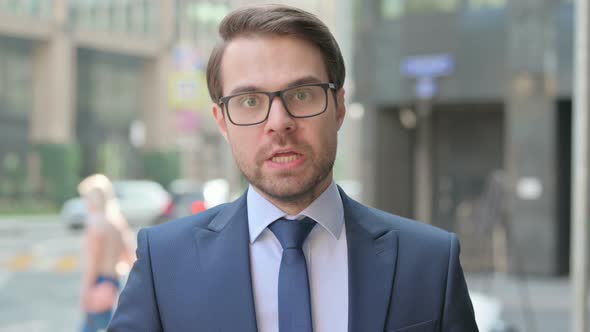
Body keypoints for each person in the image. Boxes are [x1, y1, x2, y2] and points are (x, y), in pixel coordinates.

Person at [108, 4, 479, 332]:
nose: (279, 122)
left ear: (338, 106)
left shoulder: (430, 263)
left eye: (301, 94)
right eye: (250, 100)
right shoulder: (164, 262)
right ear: (222, 122)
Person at [78, 174, 135, 332]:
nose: (85, 203)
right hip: (113, 283)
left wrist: (85, 290)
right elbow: (130, 259)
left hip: (98, 282)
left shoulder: (95, 226)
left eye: (86, 199)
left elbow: (93, 263)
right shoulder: (117, 222)